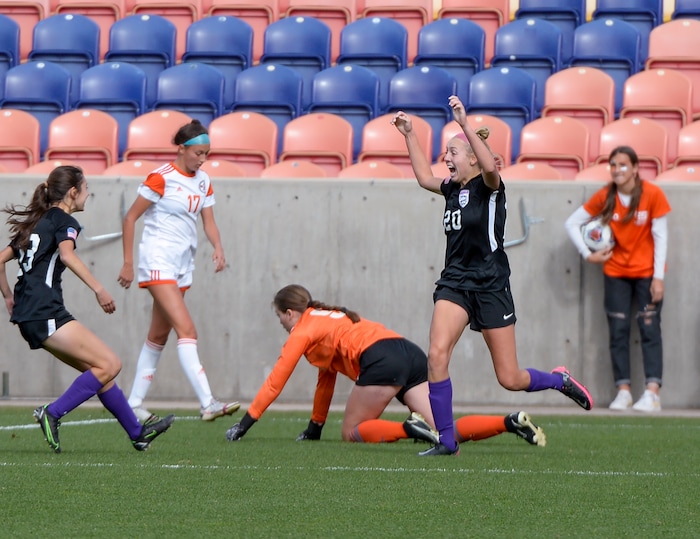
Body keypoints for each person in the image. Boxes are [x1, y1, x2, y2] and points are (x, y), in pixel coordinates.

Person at [392, 96, 593, 457]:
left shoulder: (489, 185)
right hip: (454, 283)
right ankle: (447, 441)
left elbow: (489, 168)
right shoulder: (452, 189)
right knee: (436, 356)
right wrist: (409, 134)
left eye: (453, 152)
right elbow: (424, 177)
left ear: (473, 157)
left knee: (509, 377)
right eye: (446, 153)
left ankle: (557, 379)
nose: (446, 158)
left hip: (490, 284)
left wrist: (464, 125)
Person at [225, 284, 547, 449]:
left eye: (280, 317)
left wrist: (245, 424)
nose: (282, 323)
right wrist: (314, 428)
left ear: (290, 313)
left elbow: (275, 381)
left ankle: (408, 428)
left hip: (381, 359)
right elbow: (327, 378)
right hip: (407, 352)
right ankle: (510, 422)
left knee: (352, 433)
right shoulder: (327, 319)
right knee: (445, 430)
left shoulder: (304, 329)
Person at [0, 166, 174, 453]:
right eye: (86, 188)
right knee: (110, 364)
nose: (88, 194)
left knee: (98, 372)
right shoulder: (63, 220)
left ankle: (137, 432)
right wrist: (99, 289)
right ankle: (52, 413)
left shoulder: (36, 222)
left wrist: (8, 296)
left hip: (30, 315)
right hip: (45, 311)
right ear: (72, 192)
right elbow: (67, 255)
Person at [117, 119, 239, 422]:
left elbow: (208, 222)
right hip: (158, 260)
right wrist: (129, 263)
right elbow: (130, 218)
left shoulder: (203, 179)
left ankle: (133, 403)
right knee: (188, 330)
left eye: (206, 154)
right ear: (182, 148)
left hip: (184, 265)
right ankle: (207, 402)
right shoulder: (160, 178)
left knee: (158, 336)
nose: (203, 159)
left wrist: (218, 247)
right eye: (198, 153)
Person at [565, 146, 671, 413]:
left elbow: (661, 237)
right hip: (615, 274)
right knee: (618, 333)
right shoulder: (605, 195)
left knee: (649, 330)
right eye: (613, 165)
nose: (617, 169)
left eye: (623, 164)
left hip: (647, 275)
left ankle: (652, 393)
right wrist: (589, 255)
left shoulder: (653, 194)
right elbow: (572, 223)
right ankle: (623, 391)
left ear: (635, 168)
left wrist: (658, 278)